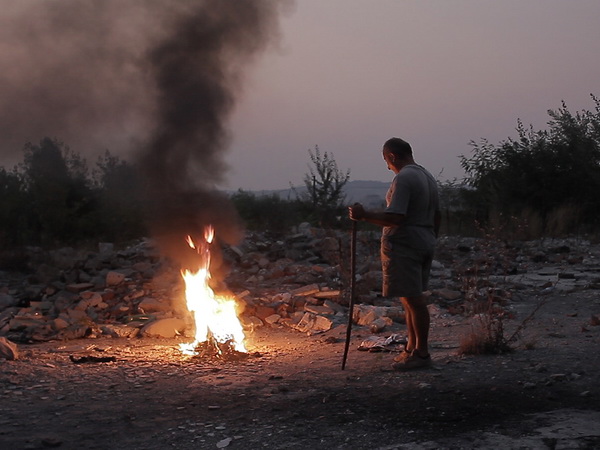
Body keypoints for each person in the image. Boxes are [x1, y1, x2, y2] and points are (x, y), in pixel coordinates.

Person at [349, 137, 441, 370]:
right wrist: (429, 238)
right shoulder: (426, 176)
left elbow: (396, 217)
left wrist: (363, 215)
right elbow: (437, 215)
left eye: (386, 161)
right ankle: (411, 348)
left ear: (392, 156)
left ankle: (421, 354)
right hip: (423, 240)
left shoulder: (404, 178)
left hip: (406, 245)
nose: (387, 166)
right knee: (409, 297)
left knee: (414, 300)